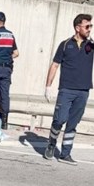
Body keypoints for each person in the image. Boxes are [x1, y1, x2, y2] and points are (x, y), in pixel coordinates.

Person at [44, 14, 93, 166]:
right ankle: (51, 143)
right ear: (78, 28)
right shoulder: (65, 44)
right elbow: (54, 65)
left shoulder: (91, 45)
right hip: (66, 89)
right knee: (60, 119)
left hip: (83, 91)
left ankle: (66, 154)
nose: (90, 29)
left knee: (73, 124)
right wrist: (48, 86)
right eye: (87, 26)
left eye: (91, 26)